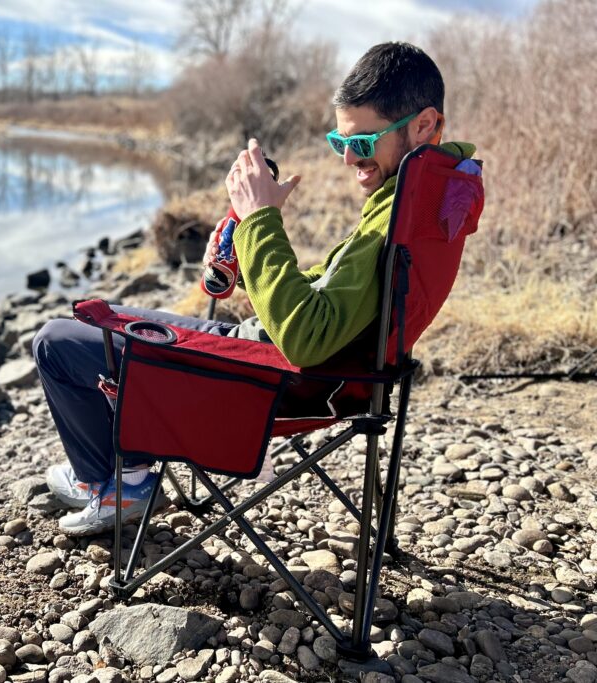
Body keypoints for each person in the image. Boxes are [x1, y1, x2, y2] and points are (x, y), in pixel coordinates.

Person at [32, 42, 478, 536]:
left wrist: (261, 219)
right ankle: (121, 471)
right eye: (340, 141)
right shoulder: (428, 198)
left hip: (269, 378)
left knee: (58, 341)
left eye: (365, 142)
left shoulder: (395, 217)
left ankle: (118, 483)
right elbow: (326, 300)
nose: (350, 157)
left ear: (423, 124)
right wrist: (247, 259)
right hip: (288, 363)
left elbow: (307, 338)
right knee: (108, 321)